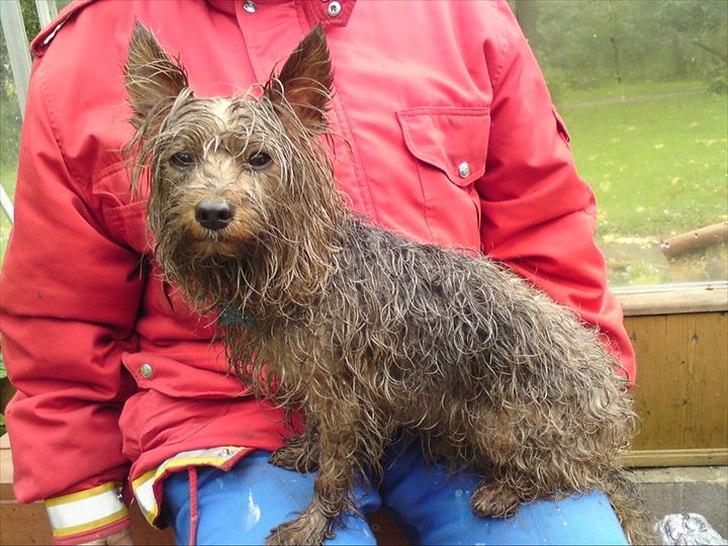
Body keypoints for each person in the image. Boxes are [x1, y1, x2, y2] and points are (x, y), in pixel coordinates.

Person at [0, 1, 636, 544]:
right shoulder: (90, 48)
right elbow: (55, 308)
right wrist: (81, 497)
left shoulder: (459, 14)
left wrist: (581, 405)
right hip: (226, 424)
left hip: (465, 396)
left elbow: (545, 226)